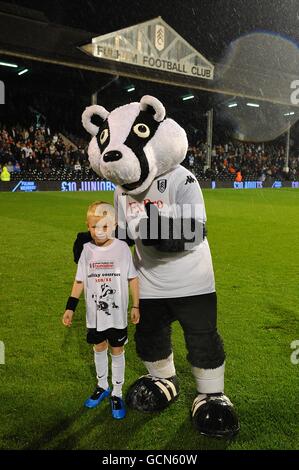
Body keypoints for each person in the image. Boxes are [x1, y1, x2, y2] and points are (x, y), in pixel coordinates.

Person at [62, 201, 139, 419]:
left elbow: (133, 278)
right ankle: (102, 385)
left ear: (114, 225)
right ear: (88, 225)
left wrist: (136, 305)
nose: (99, 231)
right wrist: (70, 307)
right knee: (98, 347)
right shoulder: (86, 251)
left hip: (116, 316)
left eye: (105, 226)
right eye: (95, 226)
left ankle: (117, 391)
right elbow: (79, 281)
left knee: (117, 350)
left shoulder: (122, 249)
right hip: (94, 317)